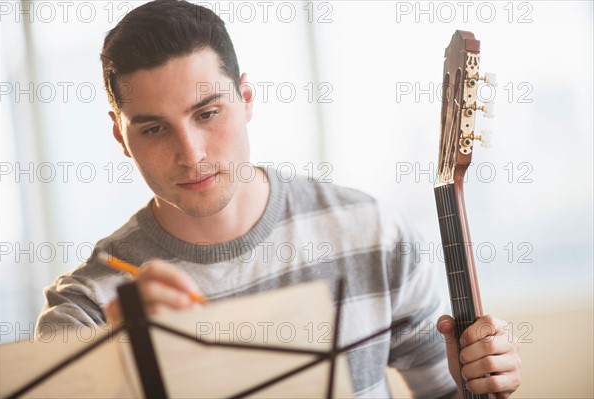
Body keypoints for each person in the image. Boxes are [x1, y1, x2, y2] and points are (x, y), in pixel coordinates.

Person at [36, 0, 521, 397]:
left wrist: (482, 381)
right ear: (122, 138)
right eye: (155, 129)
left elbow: (444, 392)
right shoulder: (86, 308)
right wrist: (120, 367)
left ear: (246, 99)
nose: (191, 154)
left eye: (207, 114)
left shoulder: (372, 233)